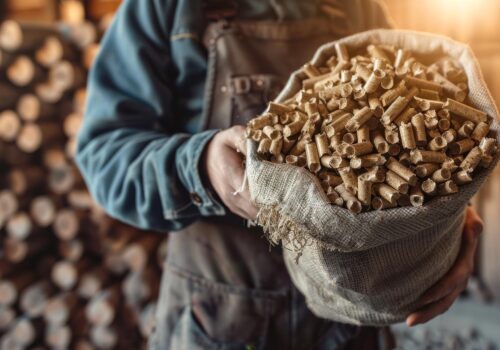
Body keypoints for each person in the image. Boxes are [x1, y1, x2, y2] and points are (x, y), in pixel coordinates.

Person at [76, 0, 484, 349]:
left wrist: (453, 231)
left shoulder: (353, 5)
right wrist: (200, 166)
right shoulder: (168, 9)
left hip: (348, 322)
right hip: (221, 318)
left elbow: (421, 119)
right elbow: (104, 155)